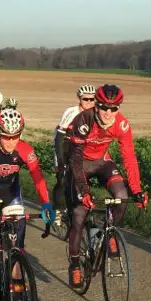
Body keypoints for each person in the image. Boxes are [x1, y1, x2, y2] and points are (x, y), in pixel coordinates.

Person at [64, 83, 148, 288]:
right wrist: (84, 190)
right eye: (104, 107)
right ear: (96, 106)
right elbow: (74, 159)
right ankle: (75, 264)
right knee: (79, 215)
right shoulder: (83, 120)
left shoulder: (121, 125)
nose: (109, 113)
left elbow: (129, 157)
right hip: (79, 164)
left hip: (102, 161)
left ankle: (106, 231)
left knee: (122, 195)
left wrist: (137, 189)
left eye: (114, 108)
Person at [0, 108, 55, 279]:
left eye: (15, 136)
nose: (10, 142)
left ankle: (16, 276)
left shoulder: (26, 150)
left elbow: (38, 178)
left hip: (11, 191)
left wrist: (46, 203)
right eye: (6, 137)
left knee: (18, 238)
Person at [52, 83, 96, 219]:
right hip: (64, 144)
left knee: (82, 175)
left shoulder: (96, 114)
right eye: (85, 99)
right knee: (62, 175)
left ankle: (77, 204)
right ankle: (58, 208)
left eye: (91, 99)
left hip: (81, 147)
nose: (88, 102)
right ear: (79, 99)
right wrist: (60, 160)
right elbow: (59, 136)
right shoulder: (71, 112)